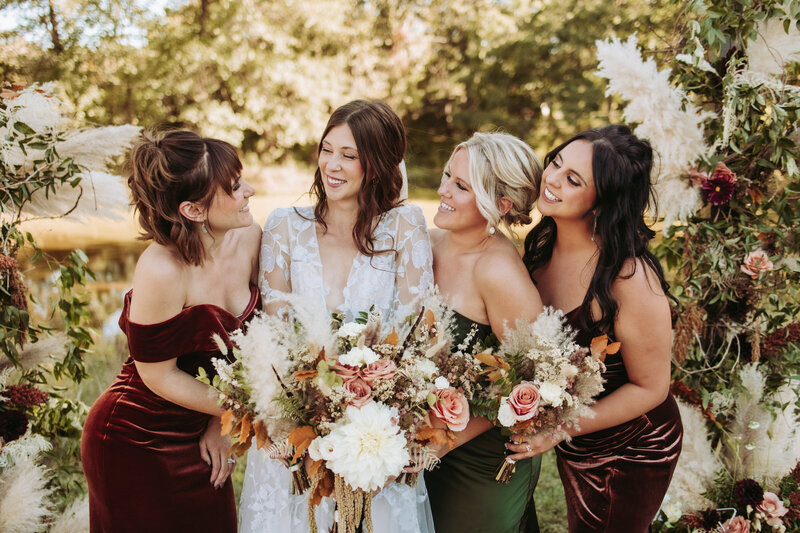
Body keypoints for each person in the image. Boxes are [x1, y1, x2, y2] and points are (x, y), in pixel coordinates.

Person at [238, 100, 435, 533]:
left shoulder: (405, 226)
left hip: (376, 429)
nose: (332, 165)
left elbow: (416, 337)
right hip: (298, 421)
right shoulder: (283, 227)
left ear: (379, 164)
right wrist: (300, 418)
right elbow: (276, 336)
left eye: (349, 156)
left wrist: (374, 415)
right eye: (327, 150)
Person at [81, 130, 261, 533]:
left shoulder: (249, 237)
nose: (249, 191)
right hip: (136, 440)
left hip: (203, 426)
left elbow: (259, 342)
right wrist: (243, 413)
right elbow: (158, 374)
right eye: (234, 187)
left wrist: (220, 424)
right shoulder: (162, 269)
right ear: (194, 210)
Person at [509, 125, 683, 532]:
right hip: (578, 437)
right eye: (556, 162)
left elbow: (652, 387)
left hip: (634, 444)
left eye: (573, 180)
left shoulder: (629, 279)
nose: (551, 179)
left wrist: (558, 428)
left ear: (603, 203)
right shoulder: (540, 252)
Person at [424, 132, 544, 533]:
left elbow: (531, 376)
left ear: (501, 205)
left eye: (460, 186)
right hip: (426, 435)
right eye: (447, 176)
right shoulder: (428, 243)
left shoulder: (497, 272)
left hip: (481, 458)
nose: (443, 190)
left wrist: (443, 440)